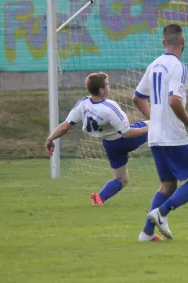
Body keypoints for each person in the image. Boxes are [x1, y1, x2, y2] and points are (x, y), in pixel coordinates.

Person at [45, 73, 154, 228]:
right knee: (158, 123)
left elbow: (65, 126)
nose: (109, 87)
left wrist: (50, 139)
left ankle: (99, 198)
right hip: (124, 140)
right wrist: (150, 127)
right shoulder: (110, 107)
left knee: (122, 179)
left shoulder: (83, 104)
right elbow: (128, 132)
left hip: (110, 145)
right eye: (108, 84)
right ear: (102, 90)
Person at [132, 24, 188, 241]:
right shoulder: (179, 67)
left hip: (155, 136)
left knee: (168, 184)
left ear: (164, 42)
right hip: (173, 135)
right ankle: (162, 212)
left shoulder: (154, 65)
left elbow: (137, 97)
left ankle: (146, 233)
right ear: (183, 43)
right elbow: (174, 100)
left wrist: (155, 118)